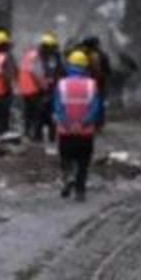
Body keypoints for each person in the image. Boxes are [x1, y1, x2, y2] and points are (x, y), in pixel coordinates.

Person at [53, 50, 104, 202]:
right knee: (83, 162)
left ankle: (67, 179)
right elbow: (96, 108)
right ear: (85, 66)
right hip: (85, 132)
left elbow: (58, 108)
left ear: (69, 65)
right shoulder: (91, 84)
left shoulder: (61, 85)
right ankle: (80, 190)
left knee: (66, 158)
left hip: (65, 131)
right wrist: (84, 122)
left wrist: (68, 123)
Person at [18, 33, 63, 143]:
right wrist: (45, 86)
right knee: (43, 113)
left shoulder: (31, 54)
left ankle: (30, 133)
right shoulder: (38, 56)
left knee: (31, 113)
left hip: (28, 89)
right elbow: (37, 73)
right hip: (38, 89)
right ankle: (40, 136)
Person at [76, 36, 112, 127]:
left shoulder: (81, 54)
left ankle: (85, 120)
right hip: (98, 83)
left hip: (84, 84)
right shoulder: (102, 55)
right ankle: (98, 122)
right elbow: (108, 71)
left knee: (85, 102)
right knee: (99, 103)